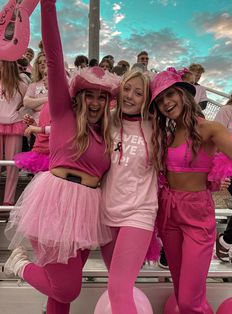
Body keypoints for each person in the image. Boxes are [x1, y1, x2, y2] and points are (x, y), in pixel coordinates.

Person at [4, 2, 120, 314]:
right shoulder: (63, 113)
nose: (95, 102)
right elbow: (55, 60)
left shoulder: (106, 133)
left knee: (59, 296)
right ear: (79, 96)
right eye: (89, 95)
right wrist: (50, 5)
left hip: (87, 210)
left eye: (102, 96)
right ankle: (19, 265)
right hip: (55, 203)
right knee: (66, 288)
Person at [150, 69, 232, 314]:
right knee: (181, 292)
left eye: (170, 95)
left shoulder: (210, 129)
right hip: (168, 210)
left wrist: (212, 180)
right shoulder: (164, 135)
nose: (166, 103)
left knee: (189, 300)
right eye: (159, 100)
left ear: (183, 95)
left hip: (197, 213)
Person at [101, 69, 159, 314]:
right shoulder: (106, 119)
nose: (130, 96)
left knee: (118, 289)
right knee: (118, 285)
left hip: (140, 213)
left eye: (138, 93)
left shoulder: (157, 126)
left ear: (147, 99)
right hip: (105, 214)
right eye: (127, 89)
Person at [0, 60, 28, 205]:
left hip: (14, 125)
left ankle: (8, 201)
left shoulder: (22, 84)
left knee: (12, 164)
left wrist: (20, 112)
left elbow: (27, 104)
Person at [14, 68, 51, 174]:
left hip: (51, 154)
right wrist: (33, 124)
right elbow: (43, 133)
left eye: (46, 75)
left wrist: (37, 128)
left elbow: (59, 130)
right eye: (43, 75)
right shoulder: (47, 104)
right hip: (41, 152)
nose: (43, 79)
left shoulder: (58, 103)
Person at [214, 89, 232, 265]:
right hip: (228, 165)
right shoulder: (227, 110)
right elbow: (214, 139)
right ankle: (226, 241)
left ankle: (230, 245)